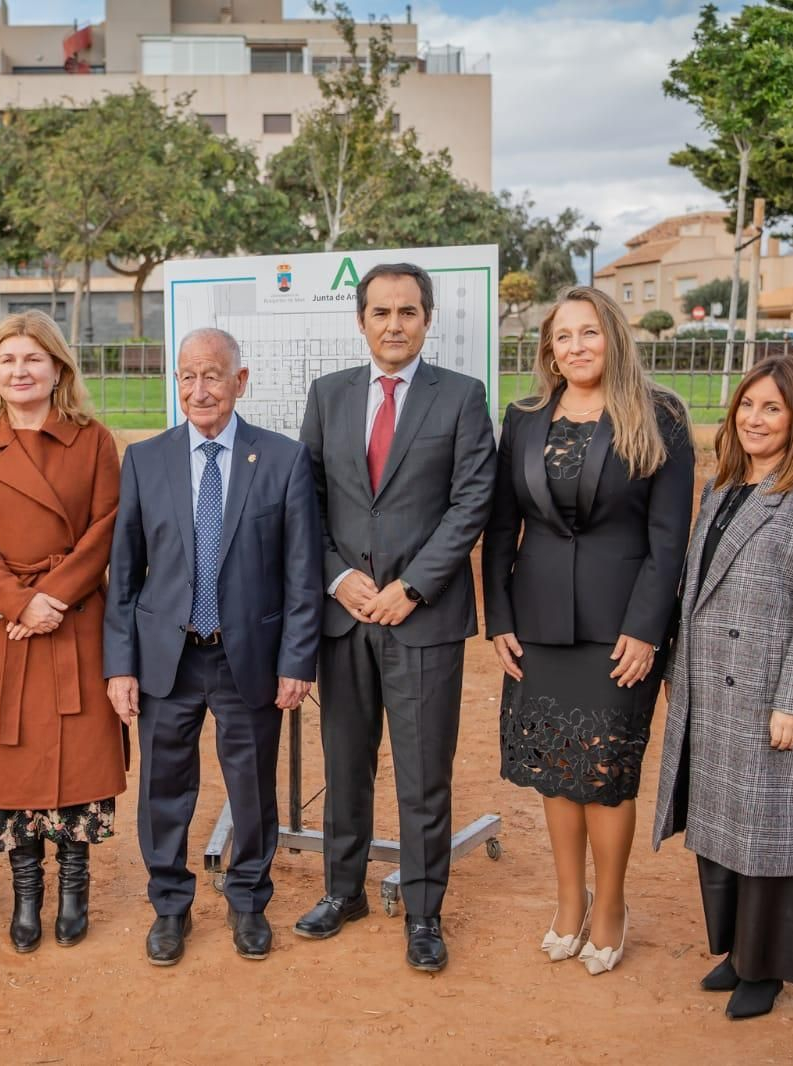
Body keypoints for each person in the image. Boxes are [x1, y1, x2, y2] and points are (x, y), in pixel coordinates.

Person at [482, 286, 694, 975]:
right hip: (538, 622)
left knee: (605, 772)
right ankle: (569, 901)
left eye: (589, 332)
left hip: (619, 628)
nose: (576, 346)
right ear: (549, 347)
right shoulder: (523, 418)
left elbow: (670, 540)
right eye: (563, 335)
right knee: (554, 770)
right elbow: (498, 527)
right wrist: (500, 619)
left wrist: (646, 629)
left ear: (615, 338)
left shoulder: (659, 416)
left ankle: (611, 905)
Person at [295, 262, 498, 972]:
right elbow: (307, 500)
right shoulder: (328, 396)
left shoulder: (464, 399)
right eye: (380, 312)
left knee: (422, 776)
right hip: (345, 618)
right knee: (346, 766)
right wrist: (338, 576)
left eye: (407, 312)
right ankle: (342, 892)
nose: (393, 325)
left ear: (428, 318)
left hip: (422, 619)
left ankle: (424, 914)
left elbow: (473, 502)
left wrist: (411, 586)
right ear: (361, 321)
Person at [104, 328, 324, 966]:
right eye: (186, 377)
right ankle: (170, 905)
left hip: (245, 656)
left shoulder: (282, 459)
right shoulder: (146, 460)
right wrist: (121, 665)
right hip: (166, 659)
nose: (199, 390)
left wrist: (296, 660)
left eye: (212, 376)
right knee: (163, 787)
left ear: (240, 381)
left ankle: (248, 899)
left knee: (252, 786)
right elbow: (125, 573)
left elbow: (302, 573)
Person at [652, 356, 793, 1020]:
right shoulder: (722, 487)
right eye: (747, 405)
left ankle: (765, 971)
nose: (754, 419)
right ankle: (736, 953)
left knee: (771, 833)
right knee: (718, 827)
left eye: (772, 408)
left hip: (771, 697)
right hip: (710, 686)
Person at [0, 310, 124, 953]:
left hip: (74, 621)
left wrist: (54, 596)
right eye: (6, 359)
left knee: (75, 755)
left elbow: (107, 527)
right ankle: (26, 893)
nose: (19, 371)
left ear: (58, 367)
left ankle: (75, 885)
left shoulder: (94, 439)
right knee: (12, 759)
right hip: (4, 626)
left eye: (32, 359)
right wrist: (18, 603)